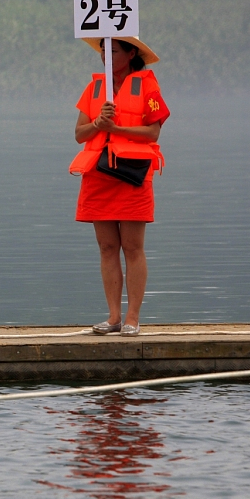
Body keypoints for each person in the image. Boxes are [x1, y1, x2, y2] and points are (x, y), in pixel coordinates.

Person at [69, 36, 169, 336]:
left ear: (131, 53)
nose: (105, 57)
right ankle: (113, 317)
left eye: (112, 51)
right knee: (107, 247)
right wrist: (99, 124)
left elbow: (153, 132)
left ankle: (132, 318)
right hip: (99, 174)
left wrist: (117, 128)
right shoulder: (95, 88)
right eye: (103, 51)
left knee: (133, 247)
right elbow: (79, 133)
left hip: (132, 174)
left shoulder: (147, 86)